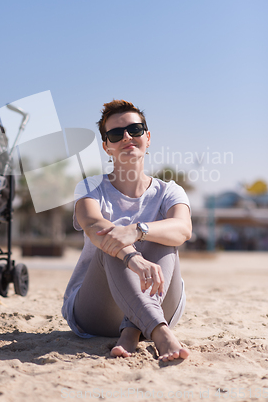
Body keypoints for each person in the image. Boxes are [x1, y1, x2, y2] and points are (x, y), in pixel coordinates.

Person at [62, 100, 191, 361]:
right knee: (109, 241)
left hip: (162, 300)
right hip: (97, 311)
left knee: (163, 235)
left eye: (135, 129)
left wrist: (137, 230)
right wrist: (132, 257)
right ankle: (160, 333)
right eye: (116, 134)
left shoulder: (170, 191)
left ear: (148, 137)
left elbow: (183, 228)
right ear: (106, 146)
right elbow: (93, 225)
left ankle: (132, 331)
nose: (127, 137)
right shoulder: (90, 187)